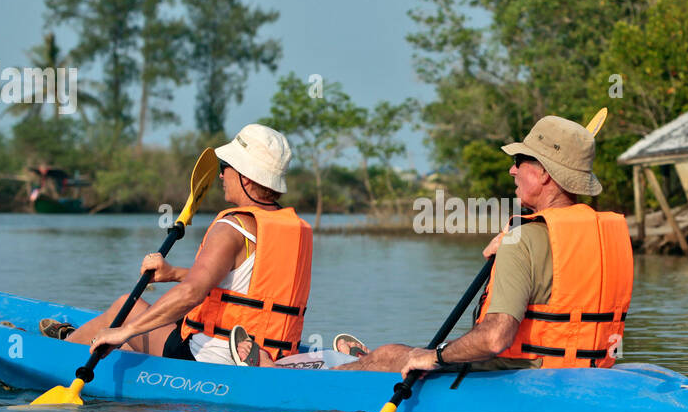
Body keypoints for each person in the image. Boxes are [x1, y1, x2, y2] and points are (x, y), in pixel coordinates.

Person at [340, 115, 633, 377]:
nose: (511, 170)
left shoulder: (523, 239)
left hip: (526, 374)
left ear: (544, 173)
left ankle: (327, 374)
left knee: (387, 354)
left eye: (519, 161)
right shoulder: (609, 235)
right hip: (593, 369)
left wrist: (435, 356)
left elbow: (495, 338)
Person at [40, 124, 313, 364]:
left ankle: (54, 356)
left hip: (211, 357)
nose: (220, 176)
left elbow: (191, 293)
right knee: (128, 335)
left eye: (224, 168)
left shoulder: (231, 228)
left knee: (127, 307)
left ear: (245, 175)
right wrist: (172, 274)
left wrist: (125, 330)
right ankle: (76, 338)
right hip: (270, 354)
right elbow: (245, 289)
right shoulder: (291, 228)